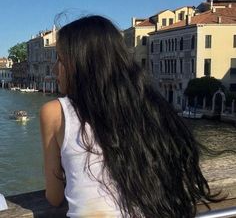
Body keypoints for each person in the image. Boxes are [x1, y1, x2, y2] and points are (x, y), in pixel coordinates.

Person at [40, 15, 221, 218]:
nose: (55, 68)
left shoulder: (55, 112)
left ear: (82, 64)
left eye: (60, 59)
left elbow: (54, 197)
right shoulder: (150, 108)